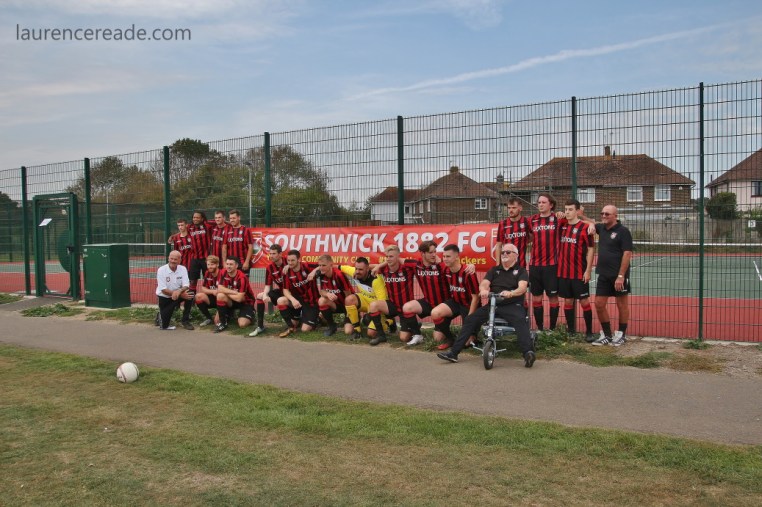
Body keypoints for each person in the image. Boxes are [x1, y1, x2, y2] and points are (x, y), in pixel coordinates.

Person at [437, 243, 535, 368]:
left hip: (512, 305)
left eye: (508, 252)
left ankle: (528, 353)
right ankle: (453, 353)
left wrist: (511, 293)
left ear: (516, 255)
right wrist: (483, 290)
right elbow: (484, 283)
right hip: (493, 304)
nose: (504, 254)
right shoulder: (494, 270)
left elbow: (522, 288)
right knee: (470, 319)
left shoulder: (521, 271)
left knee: (521, 321)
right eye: (503, 252)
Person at [592, 204, 633, 347]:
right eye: (602, 213)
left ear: (615, 216)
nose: (603, 216)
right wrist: (581, 215)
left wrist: (621, 276)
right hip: (603, 274)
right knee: (599, 304)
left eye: (607, 214)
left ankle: (621, 334)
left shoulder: (623, 231)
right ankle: (607, 335)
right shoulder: (601, 228)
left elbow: (627, 253)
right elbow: (587, 222)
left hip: (618, 276)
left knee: (621, 305)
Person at [557, 199, 595, 341]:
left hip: (579, 272)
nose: (567, 212)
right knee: (568, 301)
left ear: (578, 211)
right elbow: (553, 217)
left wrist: (588, 270)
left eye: (570, 209)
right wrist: (558, 213)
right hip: (564, 272)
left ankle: (589, 332)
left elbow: (591, 250)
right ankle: (571, 331)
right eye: (566, 209)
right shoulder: (562, 225)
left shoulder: (585, 228)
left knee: (584, 302)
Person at [429, 244, 480, 349]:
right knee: (435, 314)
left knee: (466, 343)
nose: (445, 259)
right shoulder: (445, 269)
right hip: (455, 302)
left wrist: (470, 318)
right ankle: (451, 339)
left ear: (457, 257)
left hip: (469, 305)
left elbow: (476, 297)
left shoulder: (468, 272)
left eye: (448, 256)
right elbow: (434, 258)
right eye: (444, 256)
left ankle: (472, 336)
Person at [368, 245, 417, 346]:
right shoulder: (384, 269)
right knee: (373, 305)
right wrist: (378, 266)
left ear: (398, 256)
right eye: (387, 256)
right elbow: (367, 266)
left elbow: (418, 263)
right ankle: (381, 336)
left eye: (391, 256)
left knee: (404, 338)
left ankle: (414, 326)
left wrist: (381, 265)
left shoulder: (407, 268)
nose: (388, 259)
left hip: (406, 308)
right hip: (392, 305)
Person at [340, 257, 389, 340]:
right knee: (349, 299)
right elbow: (338, 267)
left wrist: (371, 314)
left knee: (371, 334)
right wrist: (317, 269)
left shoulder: (376, 280)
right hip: (366, 302)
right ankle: (357, 330)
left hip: (377, 307)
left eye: (361, 269)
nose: (357, 271)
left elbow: (383, 303)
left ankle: (389, 321)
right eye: (356, 268)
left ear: (367, 268)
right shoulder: (355, 273)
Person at [277, 249, 320, 337]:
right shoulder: (286, 272)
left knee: (305, 329)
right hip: (298, 301)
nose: (290, 263)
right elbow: (285, 290)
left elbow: (322, 265)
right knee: (281, 300)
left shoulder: (306, 266)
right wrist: (292, 300)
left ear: (299, 259)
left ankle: (319, 318)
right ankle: (291, 327)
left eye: (293, 260)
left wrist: (313, 271)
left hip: (311, 301)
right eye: (288, 260)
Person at [249, 244, 286, 337]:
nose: (271, 256)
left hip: (294, 293)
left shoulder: (288, 262)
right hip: (282, 292)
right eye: (270, 253)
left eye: (274, 253)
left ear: (280, 254)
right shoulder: (270, 268)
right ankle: (260, 326)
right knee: (260, 296)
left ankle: (294, 321)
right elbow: (267, 285)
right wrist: (265, 295)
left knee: (299, 325)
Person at [315, 254, 355, 337]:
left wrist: (348, 313)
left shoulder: (339, 275)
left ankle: (354, 319)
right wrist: (327, 294)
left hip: (348, 305)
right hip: (336, 305)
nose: (321, 268)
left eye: (324, 265)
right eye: (320, 265)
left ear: (331, 265)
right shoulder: (321, 274)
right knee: (321, 300)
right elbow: (321, 291)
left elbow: (348, 295)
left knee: (348, 331)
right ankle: (332, 326)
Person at [214, 256, 255, 333]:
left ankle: (251, 314)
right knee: (217, 320)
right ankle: (223, 323)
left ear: (236, 266)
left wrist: (225, 291)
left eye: (231, 264)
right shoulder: (223, 272)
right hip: (232, 299)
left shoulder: (242, 277)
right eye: (227, 264)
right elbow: (219, 288)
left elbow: (239, 298)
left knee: (242, 324)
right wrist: (233, 292)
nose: (228, 266)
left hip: (245, 302)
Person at [155, 250, 194, 330]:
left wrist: (179, 292)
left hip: (177, 295)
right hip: (164, 297)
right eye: (171, 258)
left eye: (175, 259)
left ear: (180, 260)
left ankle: (185, 320)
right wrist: (180, 294)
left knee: (190, 294)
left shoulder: (183, 269)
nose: (173, 261)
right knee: (164, 326)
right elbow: (163, 290)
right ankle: (160, 315)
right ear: (168, 258)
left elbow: (186, 285)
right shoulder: (161, 270)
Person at [495, 197, 532, 269]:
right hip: (506, 265)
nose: (511, 210)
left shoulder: (526, 222)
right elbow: (498, 246)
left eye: (514, 208)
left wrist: (524, 241)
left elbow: (534, 236)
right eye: (509, 208)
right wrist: (498, 265)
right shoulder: (503, 224)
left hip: (521, 265)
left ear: (520, 208)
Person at [195, 254, 223, 327]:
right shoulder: (207, 273)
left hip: (223, 300)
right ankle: (209, 318)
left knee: (221, 296)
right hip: (212, 298)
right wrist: (213, 291)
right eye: (208, 264)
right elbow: (203, 288)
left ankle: (225, 314)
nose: (210, 266)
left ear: (217, 264)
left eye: (212, 264)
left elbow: (225, 292)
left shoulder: (223, 274)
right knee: (198, 296)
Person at [224, 209, 253, 274]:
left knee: (243, 280)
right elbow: (224, 248)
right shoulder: (227, 230)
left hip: (243, 263)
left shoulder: (246, 230)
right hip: (231, 263)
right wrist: (224, 262)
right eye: (230, 218)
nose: (232, 220)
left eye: (234, 218)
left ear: (239, 218)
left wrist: (247, 262)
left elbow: (250, 247)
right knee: (231, 280)